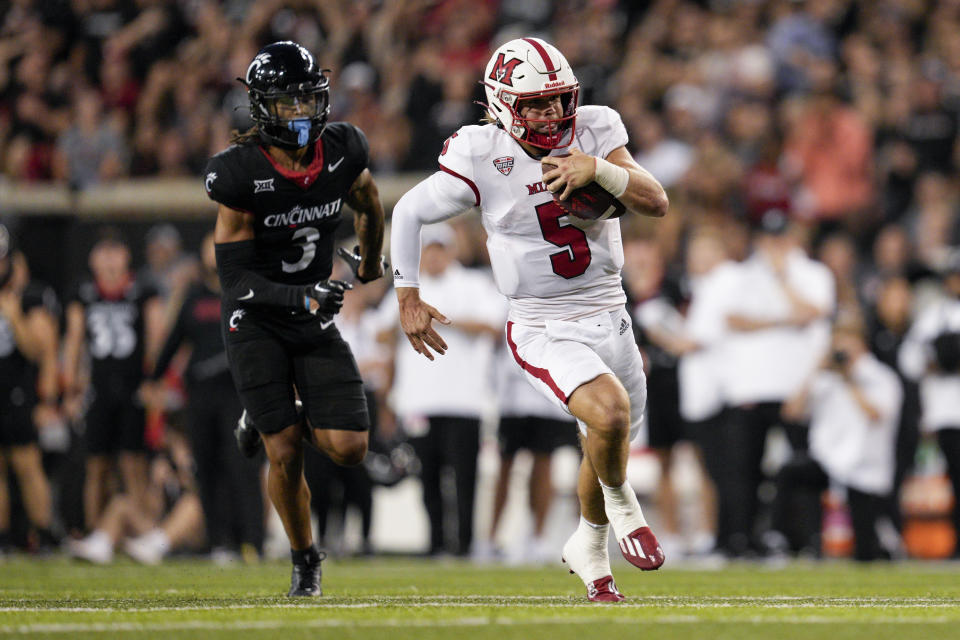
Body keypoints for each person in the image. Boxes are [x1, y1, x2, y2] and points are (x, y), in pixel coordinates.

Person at [390, 37, 668, 602]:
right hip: (543, 323)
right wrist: (407, 295)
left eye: (558, 100)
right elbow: (408, 211)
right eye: (535, 105)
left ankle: (589, 547)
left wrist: (598, 170)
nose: (551, 115)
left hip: (611, 311)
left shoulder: (595, 128)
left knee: (604, 437)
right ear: (499, 103)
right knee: (609, 417)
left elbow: (656, 201)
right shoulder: (479, 152)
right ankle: (622, 506)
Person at [205, 41, 385, 597]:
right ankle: (306, 559)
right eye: (288, 103)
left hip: (314, 310)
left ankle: (268, 416)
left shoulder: (342, 149)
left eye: (309, 99)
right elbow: (233, 281)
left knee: (351, 447)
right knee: (283, 449)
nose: (302, 113)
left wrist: (372, 264)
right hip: (257, 318)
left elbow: (369, 202)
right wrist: (298, 299)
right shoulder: (238, 174)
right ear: (262, 108)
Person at [382, 223, 506, 557]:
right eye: (428, 250)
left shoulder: (473, 283)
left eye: (439, 249)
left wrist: (436, 319)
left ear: (451, 251)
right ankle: (435, 542)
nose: (434, 256)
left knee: (465, 477)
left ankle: (464, 544)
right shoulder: (407, 291)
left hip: (464, 400)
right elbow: (380, 333)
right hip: (419, 399)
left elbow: (493, 326)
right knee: (428, 478)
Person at [143, 232, 264, 562]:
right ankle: (219, 542)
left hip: (237, 392)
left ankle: (254, 540)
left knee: (242, 466)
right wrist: (152, 380)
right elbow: (173, 342)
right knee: (207, 467)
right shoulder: (193, 296)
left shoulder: (247, 291)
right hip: (201, 392)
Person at [774, 316, 902, 561]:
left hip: (863, 468)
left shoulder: (880, 377)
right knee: (792, 473)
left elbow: (876, 414)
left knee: (865, 550)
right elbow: (791, 411)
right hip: (827, 460)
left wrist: (848, 379)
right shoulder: (825, 378)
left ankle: (883, 547)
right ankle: (786, 539)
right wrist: (814, 371)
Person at [63, 228, 163, 531]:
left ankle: (142, 534)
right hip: (99, 388)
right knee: (97, 466)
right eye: (103, 253)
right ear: (93, 259)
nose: (109, 260)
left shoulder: (143, 290)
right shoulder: (83, 293)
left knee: (134, 466)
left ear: (126, 257)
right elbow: (74, 341)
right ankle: (97, 534)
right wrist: (69, 389)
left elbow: (156, 338)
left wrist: (153, 381)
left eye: (115, 252)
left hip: (134, 387)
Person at [0, 225, 58, 552]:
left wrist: (13, 317)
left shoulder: (27, 297)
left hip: (18, 391)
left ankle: (43, 533)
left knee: (27, 465)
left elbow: (38, 351)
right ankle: (4, 539)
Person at [899, 254, 960, 555]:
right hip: (946, 412)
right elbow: (908, 360)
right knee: (954, 480)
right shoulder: (934, 316)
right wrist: (933, 361)